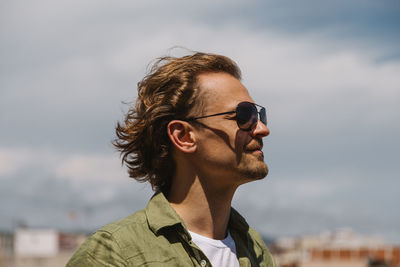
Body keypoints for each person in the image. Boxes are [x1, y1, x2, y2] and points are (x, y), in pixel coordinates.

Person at [67, 52, 276, 267]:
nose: (262, 129)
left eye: (259, 116)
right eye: (243, 116)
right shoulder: (115, 252)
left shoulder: (255, 250)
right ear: (183, 136)